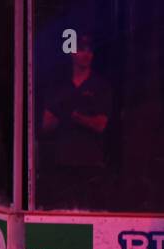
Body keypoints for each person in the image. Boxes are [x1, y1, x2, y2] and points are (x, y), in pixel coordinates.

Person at [38, 32, 113, 209]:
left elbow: (100, 125)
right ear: (72, 53)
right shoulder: (59, 86)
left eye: (89, 50)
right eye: (81, 49)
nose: (86, 54)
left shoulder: (100, 86)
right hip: (61, 162)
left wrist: (75, 117)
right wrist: (66, 114)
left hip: (91, 164)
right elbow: (46, 124)